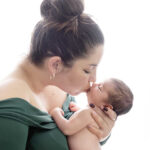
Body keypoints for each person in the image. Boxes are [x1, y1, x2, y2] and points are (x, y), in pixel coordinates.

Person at [0, 0, 116, 149]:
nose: (94, 79)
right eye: (87, 70)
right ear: (56, 65)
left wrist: (100, 132)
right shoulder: (10, 102)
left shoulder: (56, 82)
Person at [51, 78, 134, 150]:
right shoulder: (93, 116)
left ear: (106, 106)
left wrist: (55, 113)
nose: (94, 83)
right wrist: (78, 111)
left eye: (99, 87)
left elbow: (67, 129)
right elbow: (84, 127)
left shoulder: (87, 113)